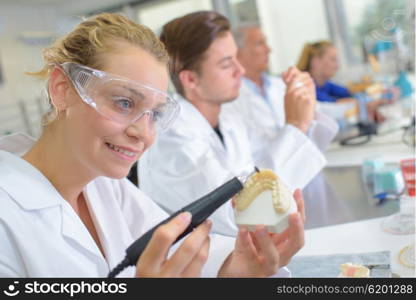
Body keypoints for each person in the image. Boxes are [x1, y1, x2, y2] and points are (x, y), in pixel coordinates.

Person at [0, 13, 304, 278]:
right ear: (62, 89)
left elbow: (177, 249)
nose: (142, 133)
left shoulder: (108, 188)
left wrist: (237, 268)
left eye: (155, 114)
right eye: (123, 102)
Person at [139, 11, 307, 243]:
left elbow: (261, 169)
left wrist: (302, 113)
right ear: (191, 80)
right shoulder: (171, 136)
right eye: (227, 64)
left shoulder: (228, 118)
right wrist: (296, 126)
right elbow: (241, 214)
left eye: (236, 58)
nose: (241, 70)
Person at [219, 25, 339, 229]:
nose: (269, 49)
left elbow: (319, 130)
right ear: (237, 52)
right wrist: (294, 126)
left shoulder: (280, 85)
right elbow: (247, 166)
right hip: (270, 200)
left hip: (310, 184)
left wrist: (307, 97)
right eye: (260, 43)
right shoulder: (229, 102)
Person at [297, 41, 388, 123]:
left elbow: (349, 93)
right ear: (315, 61)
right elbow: (332, 105)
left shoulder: (325, 84)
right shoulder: (303, 87)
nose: (337, 65)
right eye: (333, 59)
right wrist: (365, 104)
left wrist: (371, 102)